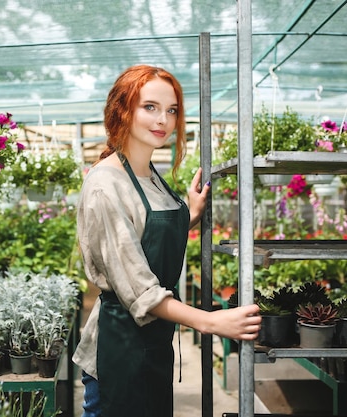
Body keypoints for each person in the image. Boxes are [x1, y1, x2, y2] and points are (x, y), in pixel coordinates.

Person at [72, 65, 261, 417]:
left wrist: (189, 212)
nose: (163, 119)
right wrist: (211, 322)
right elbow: (140, 290)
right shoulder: (104, 184)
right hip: (119, 347)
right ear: (122, 109)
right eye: (150, 107)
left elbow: (143, 235)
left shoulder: (150, 175)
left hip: (154, 342)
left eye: (171, 110)